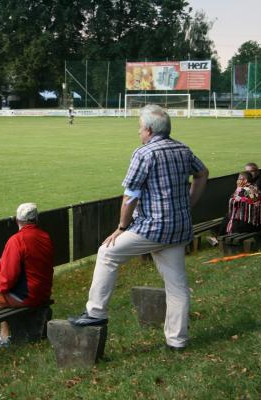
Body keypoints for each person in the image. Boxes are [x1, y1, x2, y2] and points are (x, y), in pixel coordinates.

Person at [68, 104, 209, 351]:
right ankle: (177, 342)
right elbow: (203, 173)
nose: (138, 132)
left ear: (149, 130)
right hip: (179, 228)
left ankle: (96, 312)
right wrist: (190, 203)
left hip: (154, 227)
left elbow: (130, 196)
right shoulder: (182, 149)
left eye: (140, 128)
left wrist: (122, 227)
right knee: (177, 286)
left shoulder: (144, 153)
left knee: (107, 253)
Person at [0, 203, 54, 359]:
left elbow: (7, 280)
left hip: (27, 296)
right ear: (36, 219)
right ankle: (5, 337)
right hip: (42, 292)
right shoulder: (45, 236)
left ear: (17, 220)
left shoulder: (17, 240)